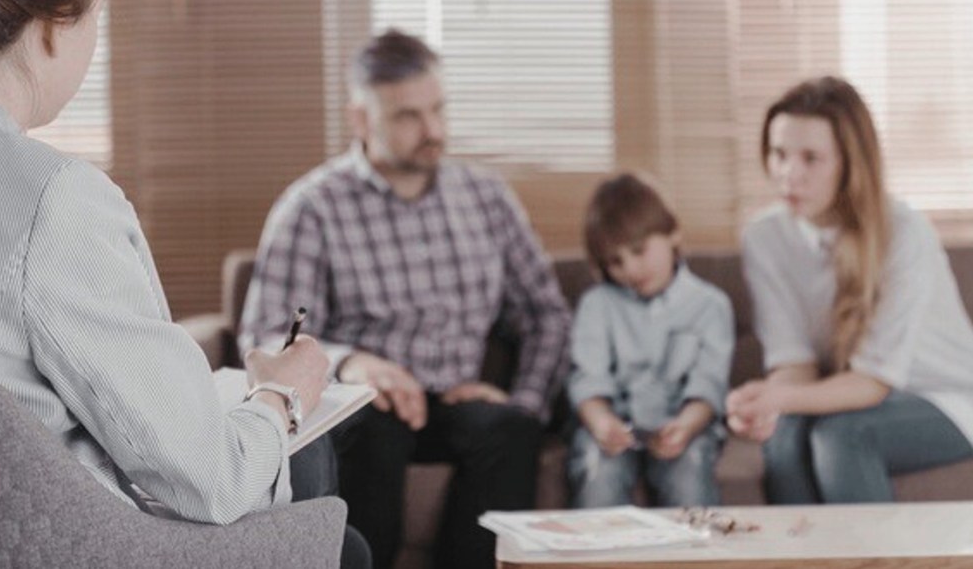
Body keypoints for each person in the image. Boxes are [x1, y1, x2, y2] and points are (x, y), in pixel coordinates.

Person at [0, 0, 368, 566]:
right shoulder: (54, 200)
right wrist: (281, 395)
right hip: (81, 551)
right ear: (56, 24)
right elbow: (209, 482)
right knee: (328, 514)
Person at [239, 28, 572, 569]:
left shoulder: (487, 198)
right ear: (362, 120)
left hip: (459, 400)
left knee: (511, 429)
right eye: (408, 116)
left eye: (438, 109)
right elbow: (267, 336)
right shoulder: (312, 208)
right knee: (375, 432)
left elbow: (545, 315)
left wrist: (523, 400)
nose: (433, 130)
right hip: (366, 406)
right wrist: (355, 363)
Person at [725, 75, 973, 503]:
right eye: (779, 154)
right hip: (843, 392)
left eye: (810, 158)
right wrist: (768, 402)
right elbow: (795, 362)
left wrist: (778, 396)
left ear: (848, 163)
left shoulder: (904, 233)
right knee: (784, 440)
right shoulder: (764, 237)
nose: (789, 174)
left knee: (843, 436)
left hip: (942, 398)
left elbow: (872, 384)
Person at [566, 173, 734, 508]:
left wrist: (685, 426)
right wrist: (602, 423)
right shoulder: (597, 304)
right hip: (613, 430)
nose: (630, 269)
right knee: (597, 470)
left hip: (685, 426)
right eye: (615, 261)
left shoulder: (710, 306)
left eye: (639, 251)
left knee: (689, 472)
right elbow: (588, 380)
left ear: (673, 233)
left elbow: (709, 385)